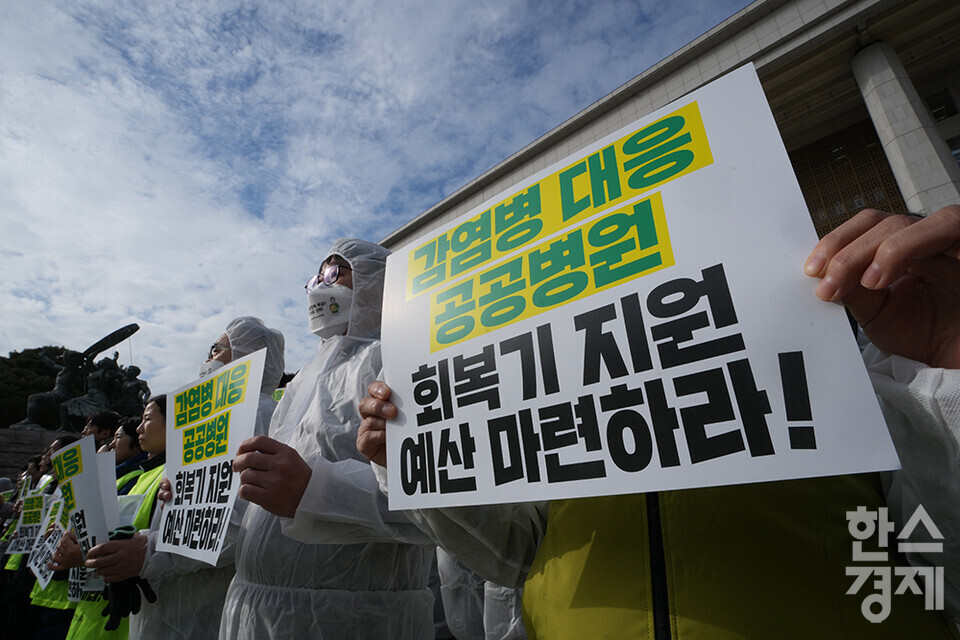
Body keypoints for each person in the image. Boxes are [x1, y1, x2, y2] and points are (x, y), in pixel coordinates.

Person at [357, 206, 960, 638]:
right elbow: (517, 558)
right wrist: (423, 465)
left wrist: (951, 357)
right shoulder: (556, 409)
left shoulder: (841, 371)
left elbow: (940, 572)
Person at [222, 238, 435, 639]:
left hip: (350, 617)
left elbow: (436, 504)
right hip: (253, 607)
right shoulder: (303, 379)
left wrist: (316, 491)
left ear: (377, 282)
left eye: (335, 272)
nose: (321, 286)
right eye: (316, 277)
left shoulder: (397, 360)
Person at [199, 316, 285, 436]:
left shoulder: (258, 410)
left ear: (242, 356)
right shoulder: (218, 411)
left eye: (215, 351)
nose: (208, 361)